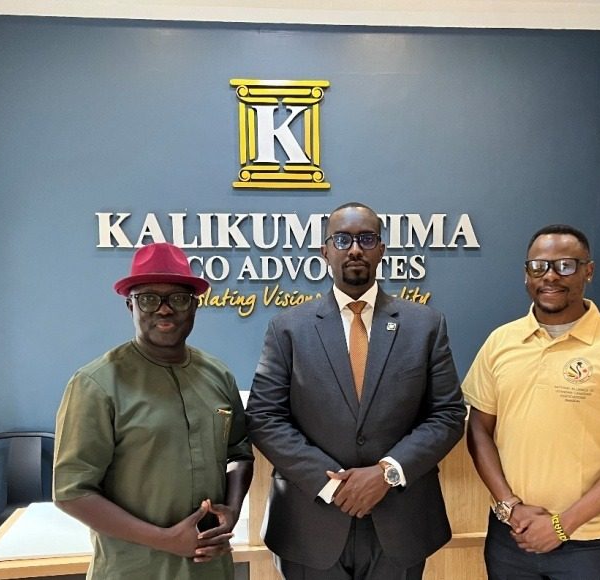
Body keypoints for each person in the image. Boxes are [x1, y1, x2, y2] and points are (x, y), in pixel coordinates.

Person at [246, 202, 467, 579]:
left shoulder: (425, 325)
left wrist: (386, 472)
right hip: (309, 522)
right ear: (325, 250)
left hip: (400, 521)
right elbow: (265, 417)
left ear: (381, 249)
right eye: (343, 239)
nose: (354, 249)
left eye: (366, 239)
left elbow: (447, 415)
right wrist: (331, 485)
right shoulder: (287, 329)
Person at [462, 224, 600, 580]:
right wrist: (509, 507)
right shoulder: (501, 342)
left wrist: (560, 526)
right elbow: (479, 430)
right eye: (539, 266)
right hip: (512, 536)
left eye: (565, 266)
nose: (550, 277)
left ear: (588, 271)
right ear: (526, 274)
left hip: (592, 542)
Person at [53, 242, 254, 579]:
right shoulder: (96, 384)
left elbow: (239, 453)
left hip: (211, 567)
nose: (164, 310)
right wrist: (165, 539)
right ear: (130, 305)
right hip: (134, 568)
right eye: (148, 299)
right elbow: (72, 491)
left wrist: (232, 510)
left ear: (194, 306)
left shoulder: (218, 375)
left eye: (177, 298)